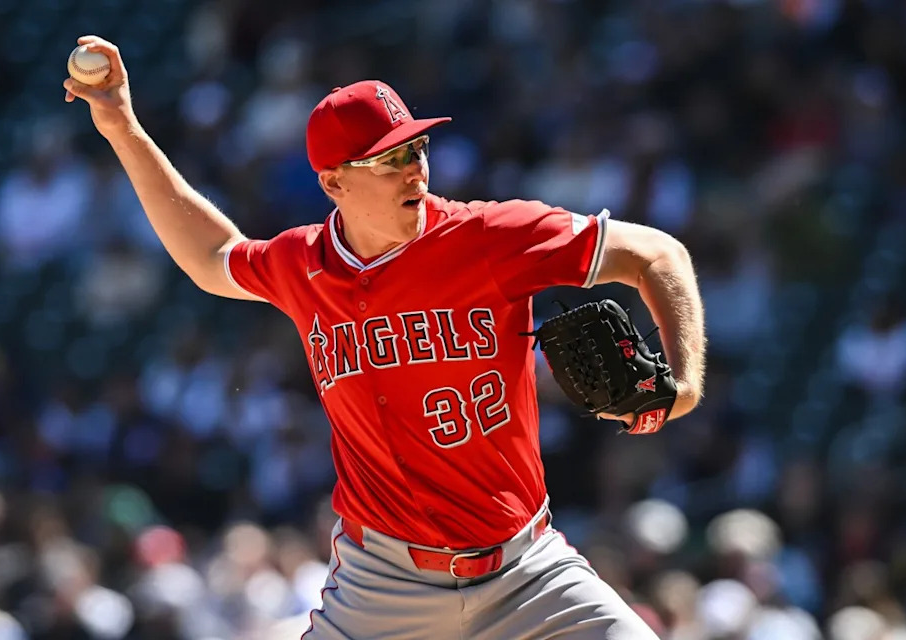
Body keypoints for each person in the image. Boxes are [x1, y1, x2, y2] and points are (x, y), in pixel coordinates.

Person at [64, 34, 706, 640]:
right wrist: (122, 126)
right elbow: (212, 257)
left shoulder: (489, 237)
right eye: (389, 159)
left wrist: (683, 380)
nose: (414, 170)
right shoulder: (304, 265)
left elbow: (657, 254)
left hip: (526, 569)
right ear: (333, 182)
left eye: (416, 149)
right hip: (383, 584)